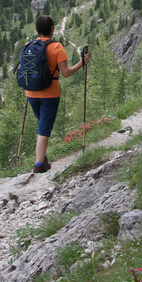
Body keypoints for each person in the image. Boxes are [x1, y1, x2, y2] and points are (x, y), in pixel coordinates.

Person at [25, 14, 89, 173]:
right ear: (52, 29)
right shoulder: (56, 47)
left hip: (31, 92)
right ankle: (39, 165)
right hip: (50, 93)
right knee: (44, 128)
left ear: (37, 29)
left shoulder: (28, 45)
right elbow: (66, 73)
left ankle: (43, 158)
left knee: (41, 125)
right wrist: (82, 63)